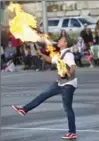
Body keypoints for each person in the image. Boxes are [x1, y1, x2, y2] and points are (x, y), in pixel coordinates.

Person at [12, 37, 77, 139]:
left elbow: (73, 66)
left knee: (67, 108)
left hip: (68, 85)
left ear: (65, 43)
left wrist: (69, 74)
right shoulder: (60, 54)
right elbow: (51, 60)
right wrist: (41, 54)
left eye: (61, 40)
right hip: (60, 83)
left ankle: (72, 132)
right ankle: (24, 109)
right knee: (43, 94)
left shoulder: (68, 54)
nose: (58, 41)